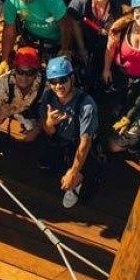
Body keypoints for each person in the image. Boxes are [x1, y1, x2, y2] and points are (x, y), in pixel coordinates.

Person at [38, 56, 99, 208]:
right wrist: (50, 123)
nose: (58, 86)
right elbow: (47, 130)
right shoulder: (48, 96)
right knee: (44, 163)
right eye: (53, 82)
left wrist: (73, 172)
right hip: (59, 138)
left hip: (78, 143)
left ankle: (77, 183)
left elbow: (85, 143)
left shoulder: (86, 106)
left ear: (72, 78)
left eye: (63, 80)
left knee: (80, 175)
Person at [68, 0, 130, 93]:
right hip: (87, 40)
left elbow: (136, 13)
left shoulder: (120, 2)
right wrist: (81, 48)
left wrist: (119, 24)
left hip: (109, 45)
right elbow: (75, 25)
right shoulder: (80, 2)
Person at [1, 0, 74, 65]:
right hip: (31, 39)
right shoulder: (11, 2)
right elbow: (9, 33)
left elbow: (65, 26)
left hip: (54, 41)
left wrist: (64, 50)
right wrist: (4, 61)